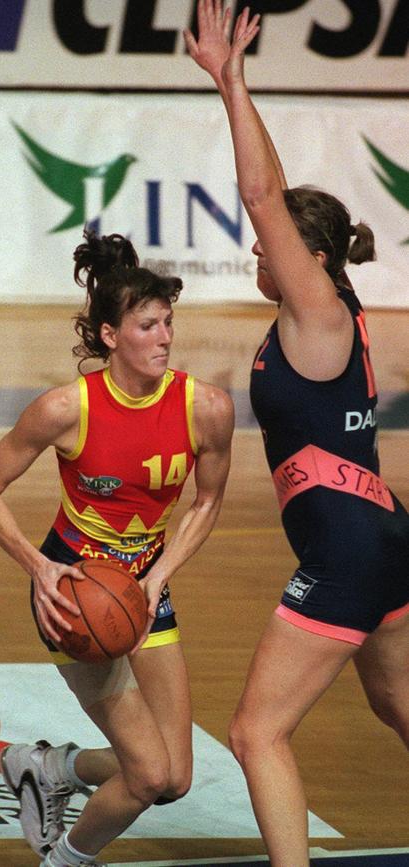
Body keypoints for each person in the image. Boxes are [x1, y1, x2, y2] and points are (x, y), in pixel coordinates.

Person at [185, 4, 409, 866]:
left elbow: (260, 192)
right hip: (386, 530)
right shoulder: (331, 304)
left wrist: (228, 81)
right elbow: (275, 193)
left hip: (348, 552)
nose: (253, 246)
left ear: (303, 254)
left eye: (268, 242)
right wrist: (241, 86)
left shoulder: (314, 313)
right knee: (397, 706)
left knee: (255, 731)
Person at [0, 229, 234, 867]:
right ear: (111, 336)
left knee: (174, 779)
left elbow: (206, 501)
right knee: (146, 776)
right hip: (75, 593)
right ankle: (65, 861)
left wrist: (159, 577)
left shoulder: (208, 409)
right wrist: (39, 568)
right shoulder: (65, 408)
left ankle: (50, 767)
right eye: (147, 326)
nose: (165, 338)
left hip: (144, 587)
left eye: (168, 322)